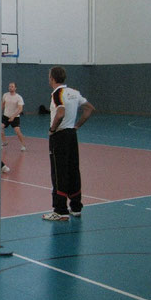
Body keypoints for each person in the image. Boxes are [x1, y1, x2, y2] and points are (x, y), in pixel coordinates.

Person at [43, 66, 95, 221]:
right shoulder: (74, 92)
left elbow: (60, 112)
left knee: (59, 172)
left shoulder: (57, 93)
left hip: (60, 136)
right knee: (73, 170)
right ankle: (76, 206)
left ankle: (60, 210)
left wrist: (52, 129)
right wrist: (77, 126)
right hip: (72, 135)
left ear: (52, 78)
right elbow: (89, 109)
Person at [1, 82, 27, 151]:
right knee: (0, 128)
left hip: (15, 117)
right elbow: (2, 105)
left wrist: (13, 116)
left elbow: (20, 109)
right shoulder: (5, 95)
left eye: (12, 86)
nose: (10, 88)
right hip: (5, 116)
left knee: (17, 132)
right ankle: (4, 142)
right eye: (9, 86)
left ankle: (23, 145)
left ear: (15, 88)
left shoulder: (19, 97)